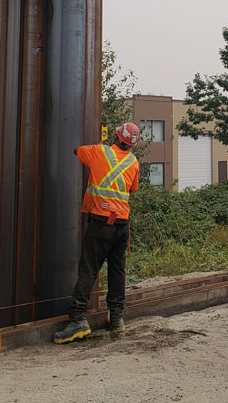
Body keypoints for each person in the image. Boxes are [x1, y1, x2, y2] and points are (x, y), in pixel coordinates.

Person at [53, 122, 141, 344]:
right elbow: (132, 189)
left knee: (88, 270)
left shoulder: (99, 152)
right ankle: (117, 318)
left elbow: (76, 151)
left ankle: (77, 321)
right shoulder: (133, 162)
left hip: (101, 224)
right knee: (117, 271)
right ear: (132, 144)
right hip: (122, 225)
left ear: (116, 136)